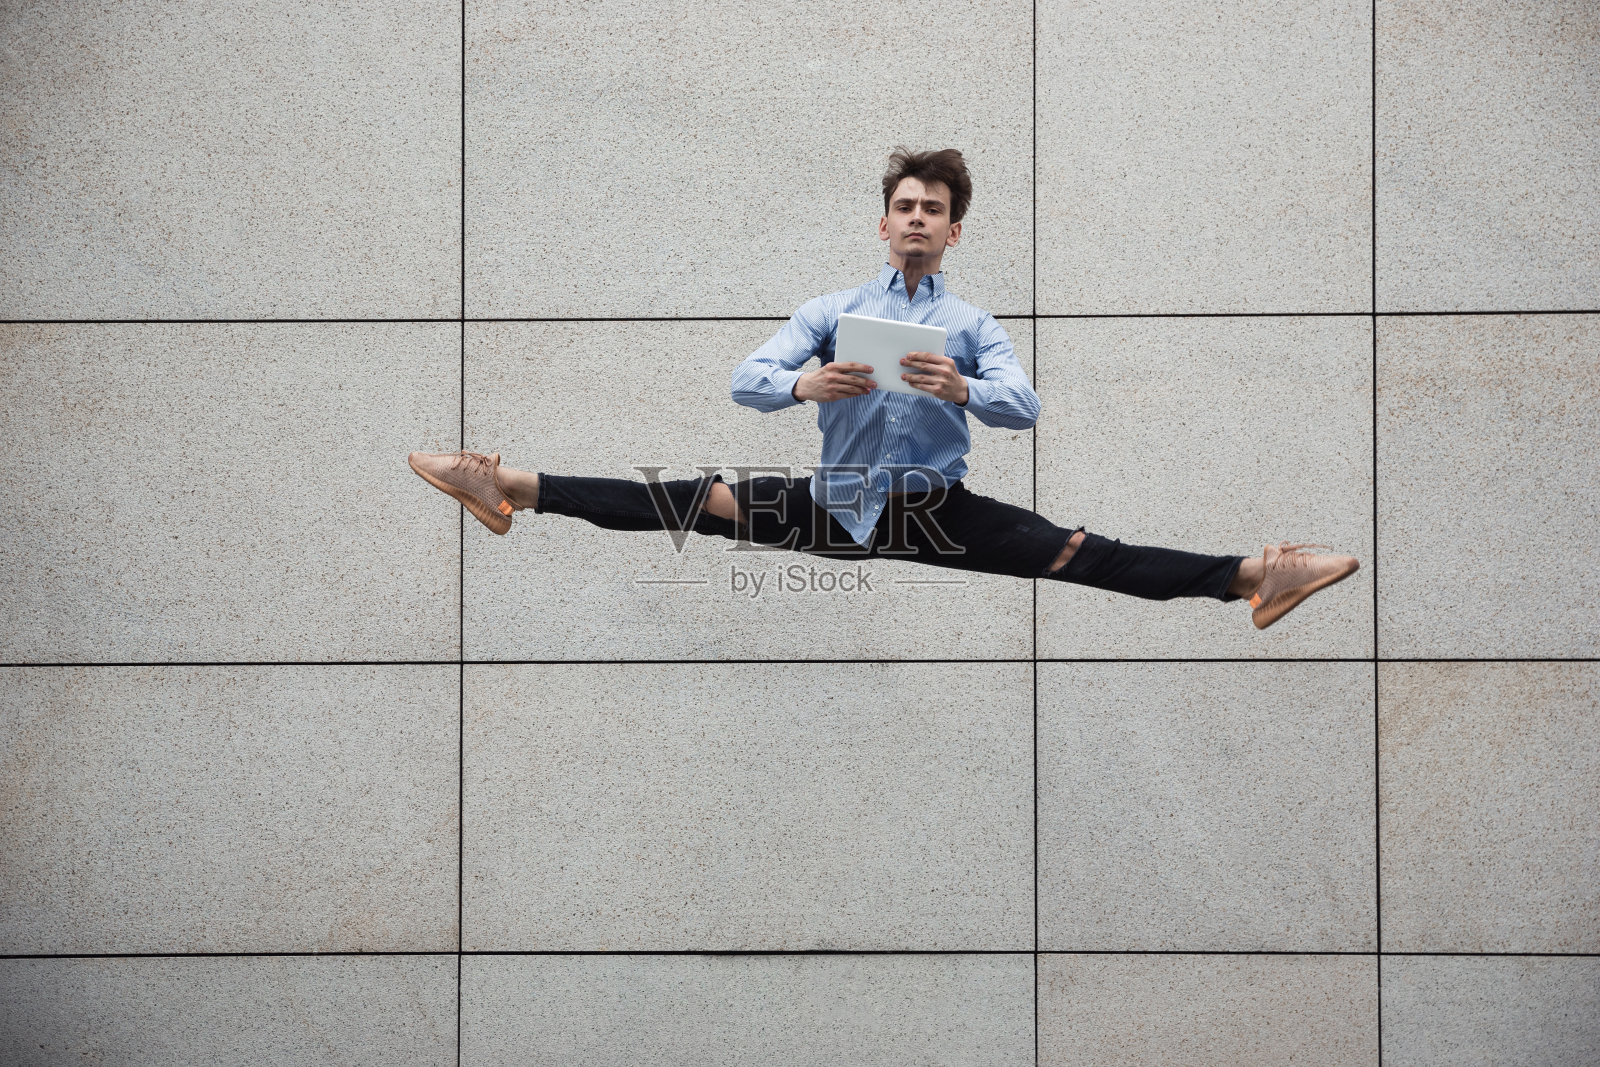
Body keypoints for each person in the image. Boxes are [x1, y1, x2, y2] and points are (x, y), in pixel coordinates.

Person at [409, 147, 1358, 629]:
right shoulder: (828, 308)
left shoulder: (974, 327)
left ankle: (1253, 579)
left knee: (1085, 554)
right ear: (883, 224)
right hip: (837, 505)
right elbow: (747, 379)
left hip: (940, 511)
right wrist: (805, 385)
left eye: (933, 211)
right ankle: (504, 486)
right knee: (691, 498)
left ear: (953, 232)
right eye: (904, 207)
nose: (917, 220)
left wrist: (963, 390)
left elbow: (1025, 406)